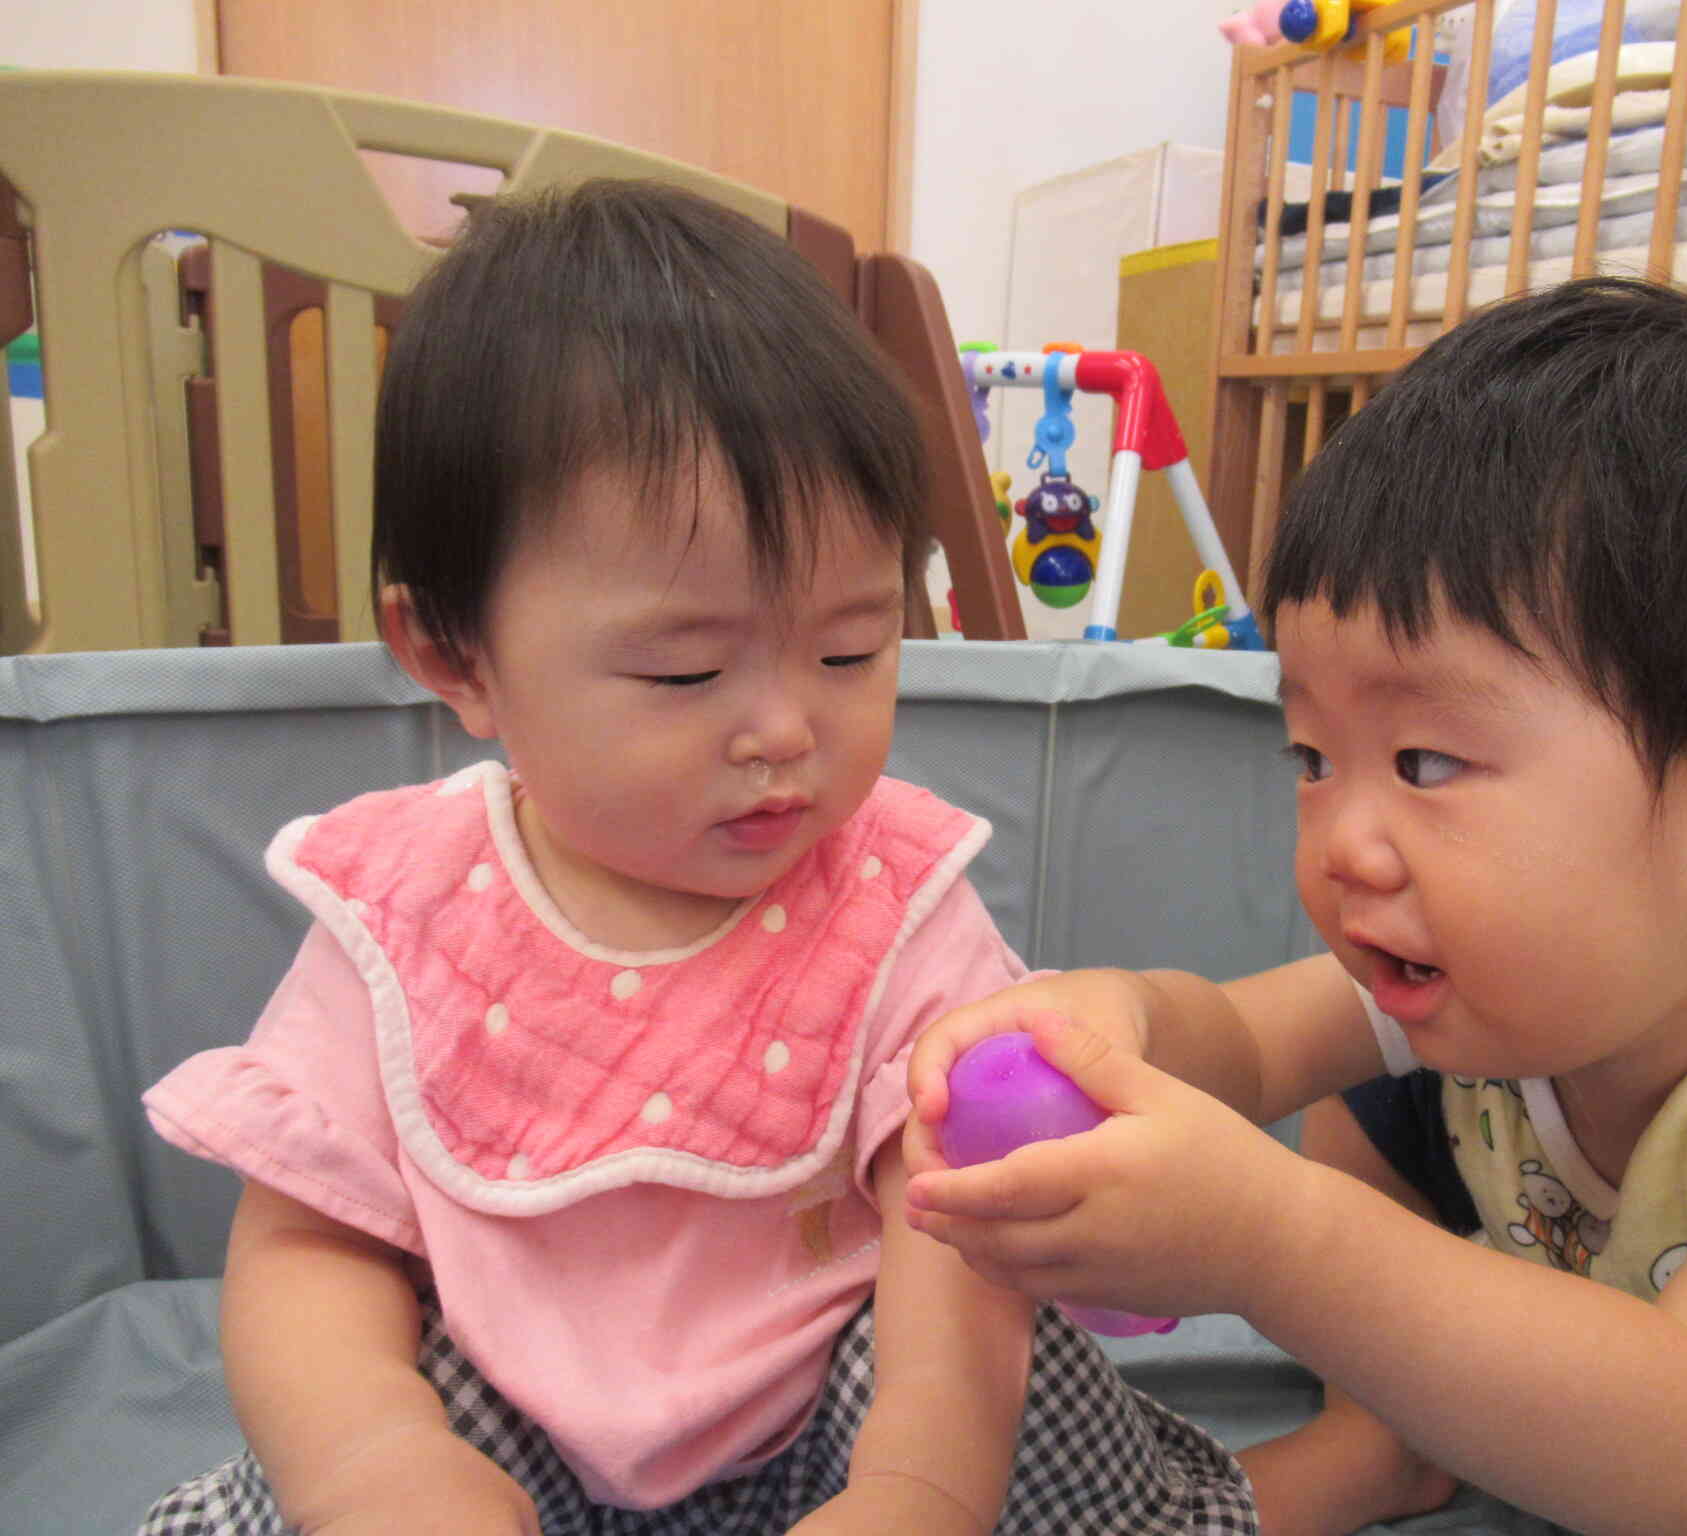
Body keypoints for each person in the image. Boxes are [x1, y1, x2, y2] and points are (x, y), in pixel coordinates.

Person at [137, 180, 1255, 1536]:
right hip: (503, 1433)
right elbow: (310, 1241)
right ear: (454, 656)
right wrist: (378, 1461)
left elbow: (946, 1226)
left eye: (851, 650)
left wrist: (920, 1484)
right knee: (325, 1456)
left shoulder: (891, 897)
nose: (786, 729)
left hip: (843, 1422)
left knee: (1025, 1372)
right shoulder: (407, 906)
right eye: (683, 672)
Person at [900, 277, 1687, 1536]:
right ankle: (1387, 1437)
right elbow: (1233, 1042)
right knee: (1375, 1076)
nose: (1343, 846)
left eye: (1425, 764)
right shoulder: (1496, 968)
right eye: (1310, 760)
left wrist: (1269, 1240)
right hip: (1581, 1353)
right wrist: (1105, 1021)